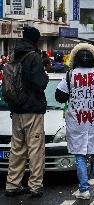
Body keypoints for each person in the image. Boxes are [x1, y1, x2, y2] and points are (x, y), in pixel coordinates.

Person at [55, 43, 94, 199]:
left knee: (80, 155)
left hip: (77, 123)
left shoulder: (70, 75)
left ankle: (84, 189)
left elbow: (58, 96)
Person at [5, 26, 49, 197]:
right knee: (35, 149)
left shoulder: (14, 55)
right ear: (35, 40)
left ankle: (12, 185)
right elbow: (40, 83)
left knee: (17, 148)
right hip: (32, 109)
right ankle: (35, 186)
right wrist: (44, 75)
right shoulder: (34, 57)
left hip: (16, 110)